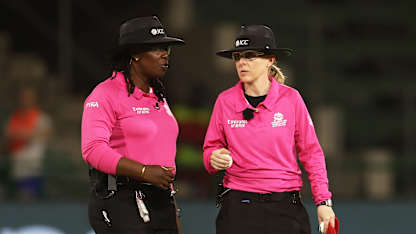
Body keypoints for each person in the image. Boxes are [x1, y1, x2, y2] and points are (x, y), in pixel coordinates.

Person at [203, 25, 336, 234]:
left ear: (270, 60)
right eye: (237, 57)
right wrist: (213, 157)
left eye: (250, 56)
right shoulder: (224, 101)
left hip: (284, 208)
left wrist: (323, 201)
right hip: (238, 206)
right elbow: (210, 150)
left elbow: (312, 153)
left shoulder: (291, 99)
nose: (241, 63)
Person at [81, 16, 184, 234]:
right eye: (156, 49)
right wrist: (144, 171)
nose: (165, 54)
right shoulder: (105, 94)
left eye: (166, 48)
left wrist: (172, 209)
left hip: (161, 200)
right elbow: (93, 150)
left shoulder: (158, 96)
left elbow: (162, 157)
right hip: (122, 199)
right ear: (135, 53)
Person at [4, 87, 52, 200]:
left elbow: (45, 134)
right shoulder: (14, 118)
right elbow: (7, 137)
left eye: (28, 98)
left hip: (33, 170)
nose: (25, 100)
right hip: (15, 169)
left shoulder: (41, 118)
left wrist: (20, 134)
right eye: (23, 98)